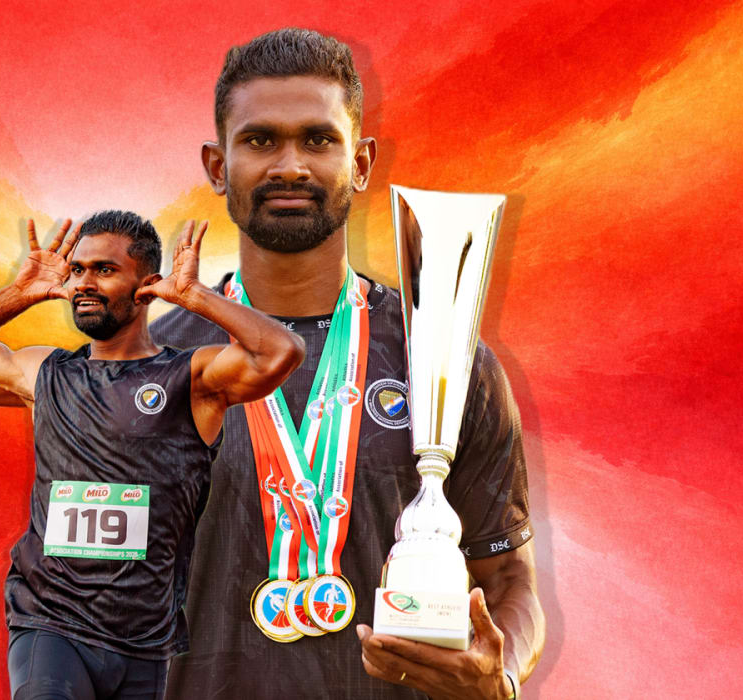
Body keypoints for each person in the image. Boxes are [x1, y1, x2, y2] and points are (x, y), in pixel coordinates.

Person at [149, 29, 545, 699]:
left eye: (318, 140)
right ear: (218, 167)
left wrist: (499, 676)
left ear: (360, 163)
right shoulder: (148, 368)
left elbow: (509, 580)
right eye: (260, 140)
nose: (290, 166)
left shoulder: (445, 361)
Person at [0, 211, 305, 700]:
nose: (84, 282)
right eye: (77, 269)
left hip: (144, 642)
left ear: (146, 286)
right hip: (50, 623)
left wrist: (194, 296)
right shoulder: (45, 372)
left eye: (104, 270)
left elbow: (280, 352)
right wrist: (18, 293)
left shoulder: (191, 379)